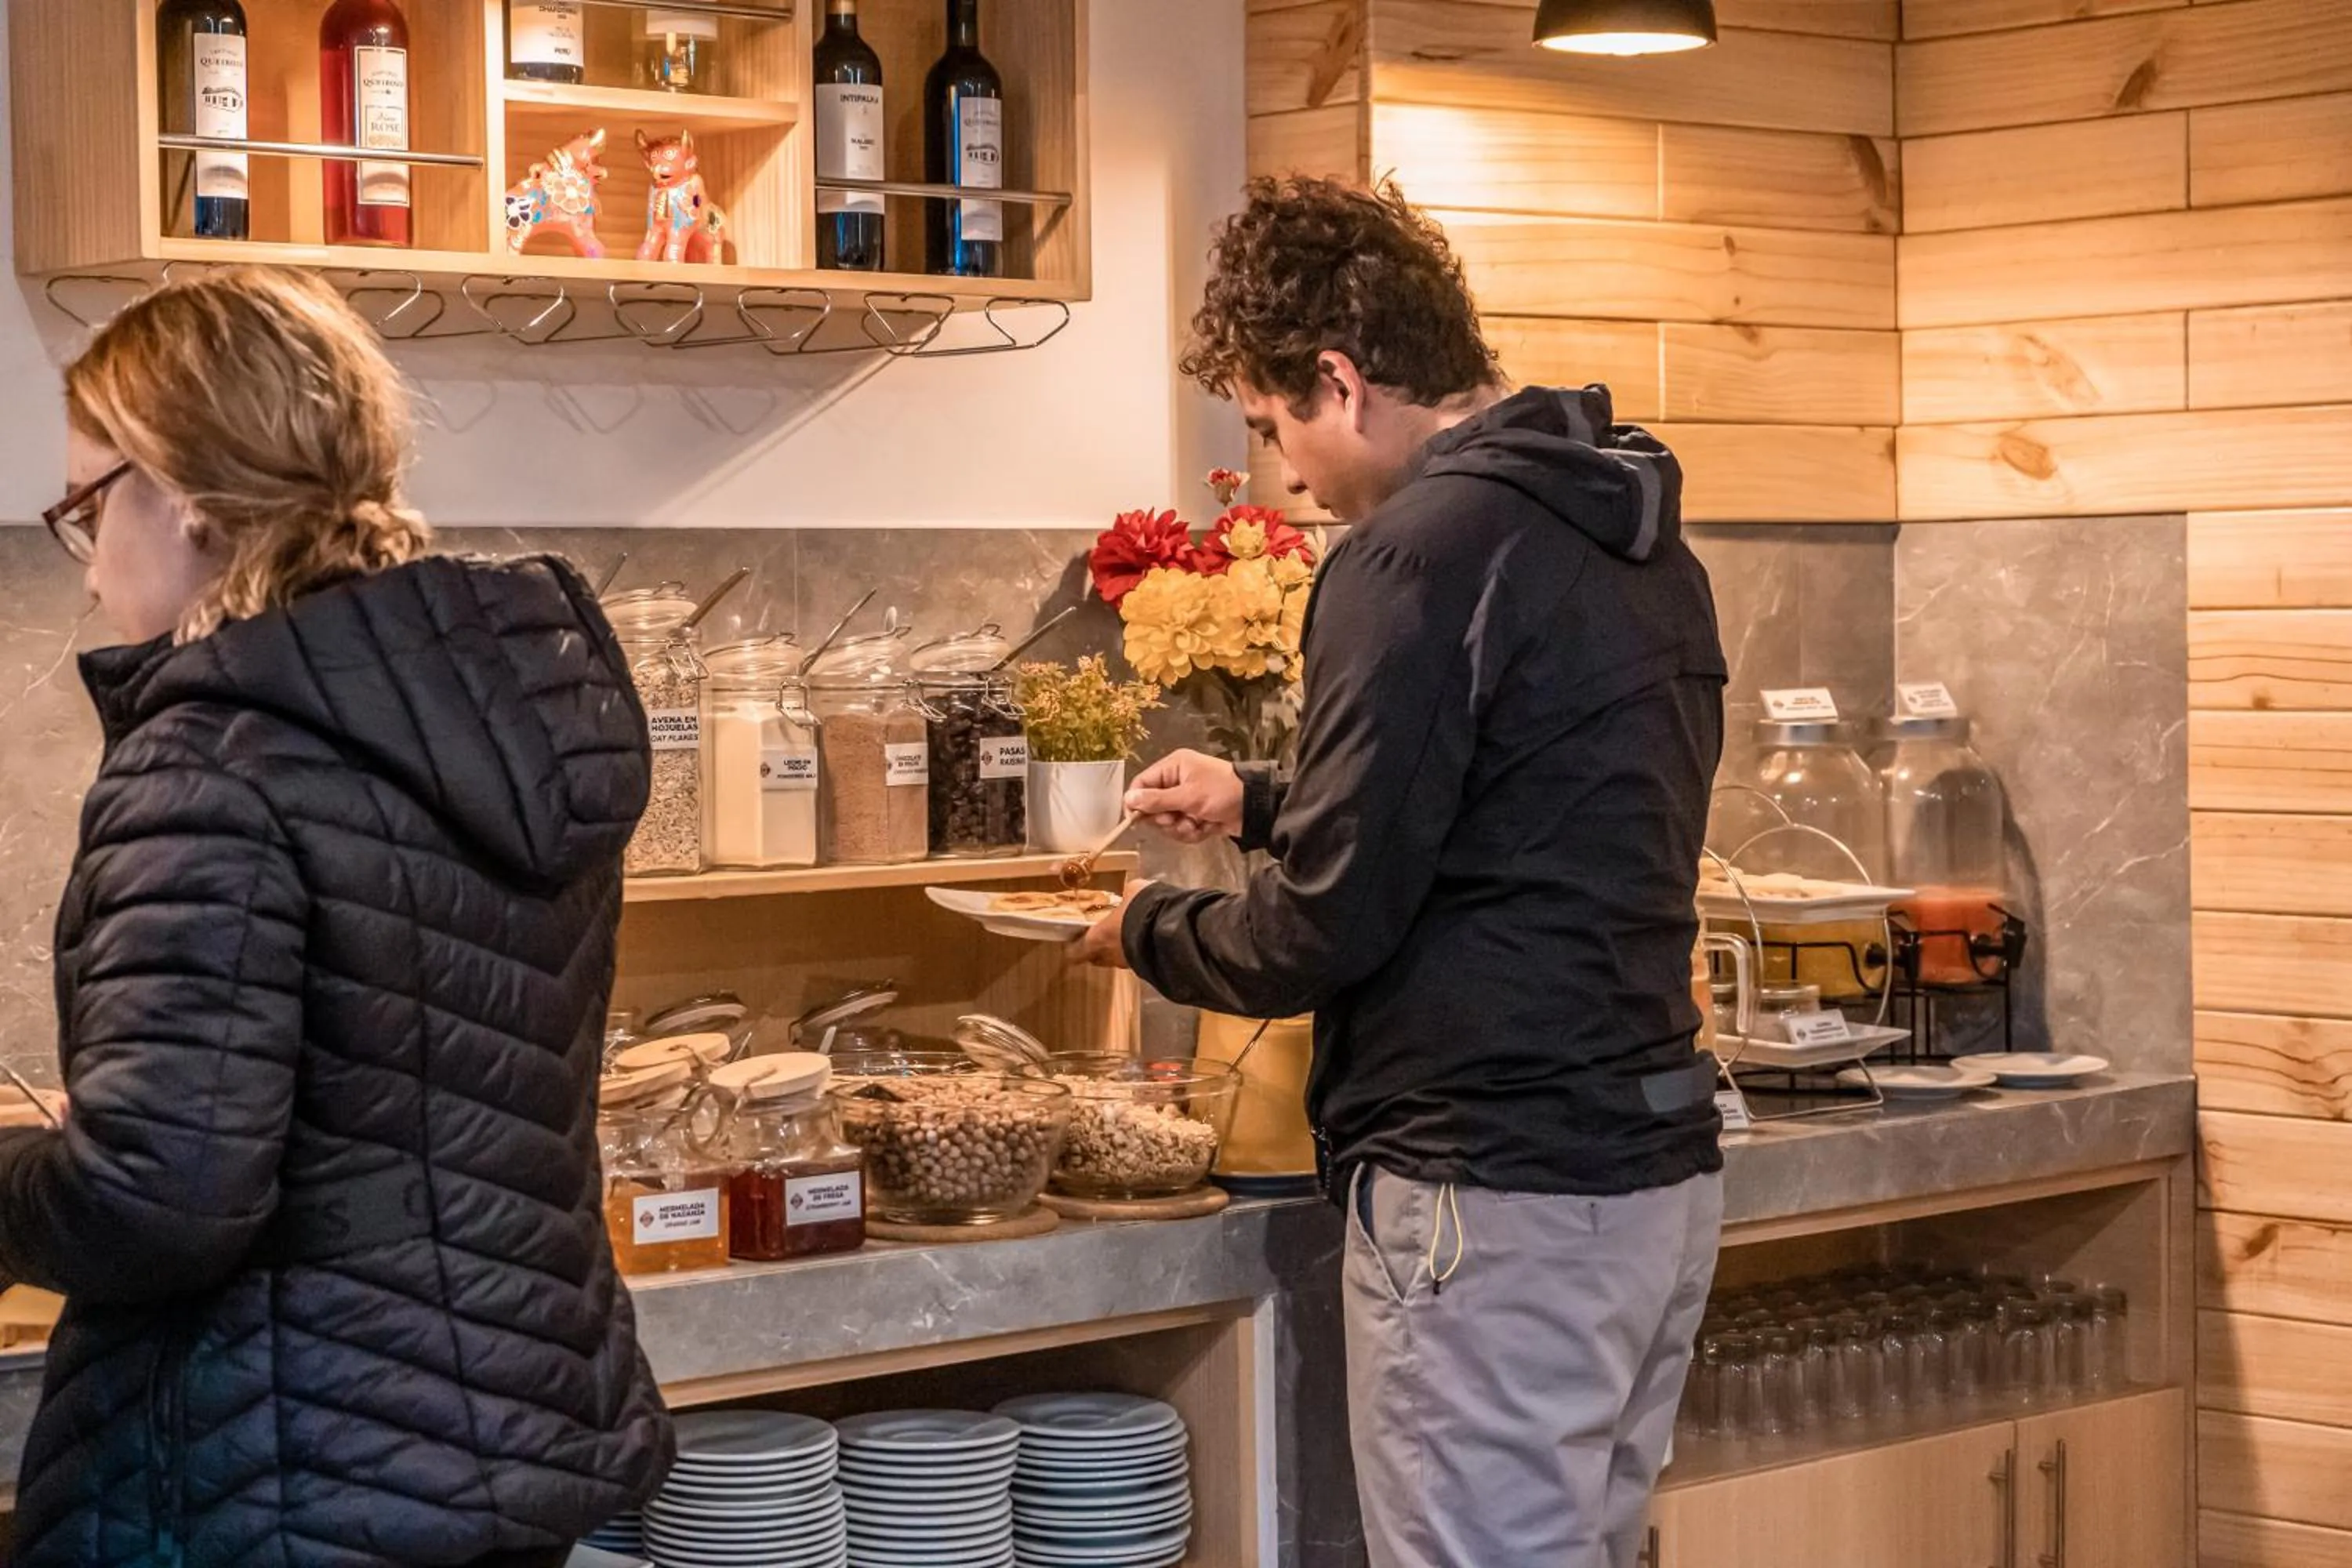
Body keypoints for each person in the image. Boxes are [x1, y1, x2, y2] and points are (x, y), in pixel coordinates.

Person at [1076, 179, 1730, 1568]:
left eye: (1273, 427)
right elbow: (1518, 814)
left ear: (1340, 379)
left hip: (1485, 1195)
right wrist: (1260, 796)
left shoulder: (1413, 556)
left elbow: (1326, 927)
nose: (1286, 476)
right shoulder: (1635, 527)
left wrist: (1148, 930)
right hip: (1652, 1176)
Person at [0, 267, 672, 1566]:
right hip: (510, 1441)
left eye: (86, 508)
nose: (88, 576)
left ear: (183, 492)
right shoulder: (511, 714)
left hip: (268, 1476)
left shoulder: (207, 759)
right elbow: (407, 1093)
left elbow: (166, 1196)